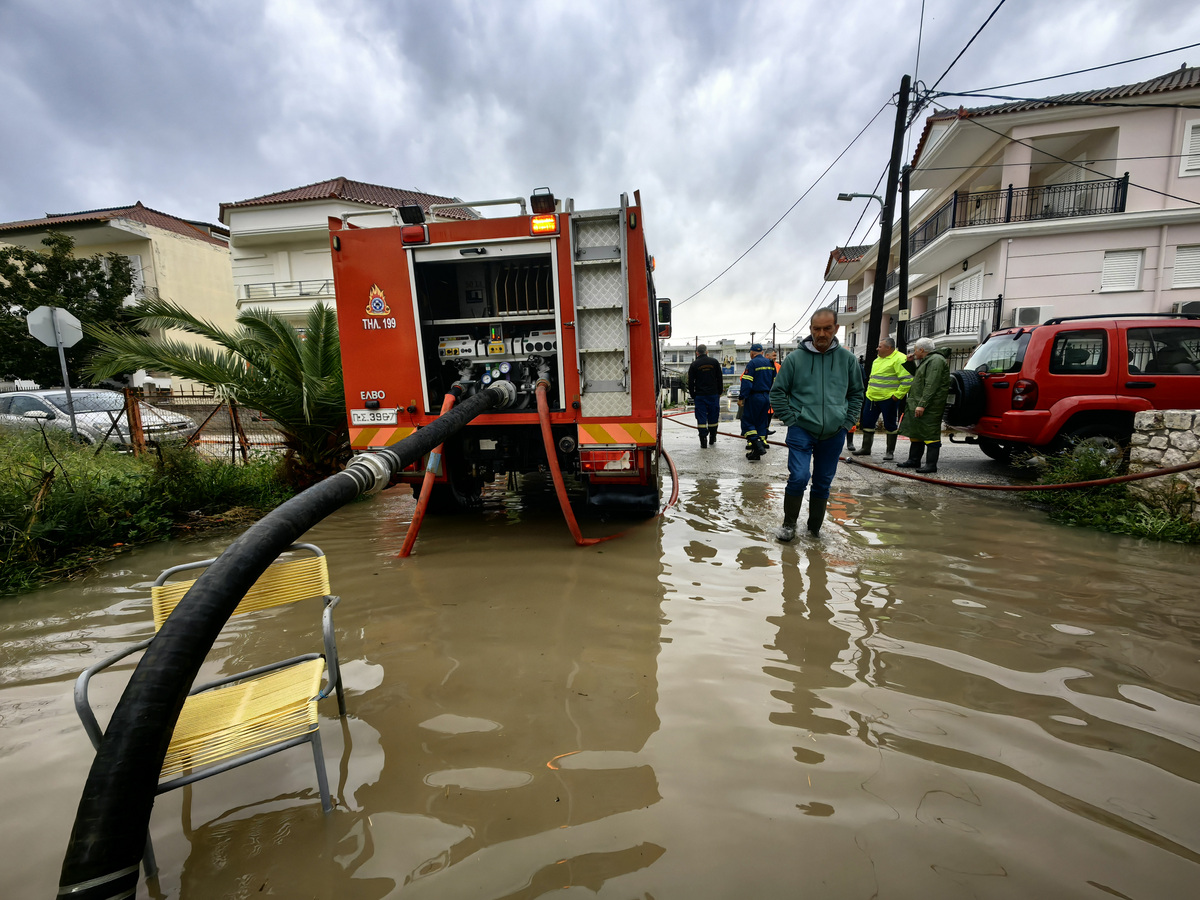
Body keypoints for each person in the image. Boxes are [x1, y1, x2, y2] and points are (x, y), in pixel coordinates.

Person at [769, 308, 864, 539]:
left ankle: (814, 530)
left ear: (836, 329)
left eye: (826, 328)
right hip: (802, 428)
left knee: (822, 482)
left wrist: (846, 421)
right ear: (810, 329)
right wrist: (792, 419)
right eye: (816, 329)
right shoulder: (794, 359)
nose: (821, 333)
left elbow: (856, 394)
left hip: (834, 432)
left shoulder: (848, 360)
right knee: (799, 476)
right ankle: (789, 525)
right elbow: (778, 392)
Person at [852, 337, 912, 461]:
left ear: (889, 348)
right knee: (867, 423)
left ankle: (890, 452)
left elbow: (907, 380)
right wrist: (868, 393)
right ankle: (866, 448)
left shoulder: (900, 359)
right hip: (872, 398)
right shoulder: (878, 360)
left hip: (888, 399)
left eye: (880, 346)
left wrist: (897, 396)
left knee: (890, 425)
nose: (877, 348)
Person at [896, 337, 951, 473]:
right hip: (920, 403)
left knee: (930, 433)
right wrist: (910, 363)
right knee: (917, 432)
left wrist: (922, 404)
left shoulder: (936, 361)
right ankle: (914, 460)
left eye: (915, 349)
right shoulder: (927, 361)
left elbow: (931, 384)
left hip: (931, 406)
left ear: (921, 350)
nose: (914, 352)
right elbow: (919, 377)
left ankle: (931, 465)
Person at [738, 343, 776, 460]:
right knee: (761, 422)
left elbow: (747, 383)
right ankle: (756, 453)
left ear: (752, 352)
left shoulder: (752, 363)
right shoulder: (770, 364)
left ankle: (758, 447)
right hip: (766, 397)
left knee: (748, 421)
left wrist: (741, 398)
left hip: (755, 397)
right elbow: (775, 382)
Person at [687, 344, 724, 448]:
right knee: (713, 415)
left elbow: (690, 382)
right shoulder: (714, 362)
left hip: (700, 395)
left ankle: (703, 440)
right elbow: (719, 378)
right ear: (707, 352)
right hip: (713, 394)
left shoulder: (694, 364)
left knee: (701, 417)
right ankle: (712, 437)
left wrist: (693, 394)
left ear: (697, 353)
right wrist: (719, 392)